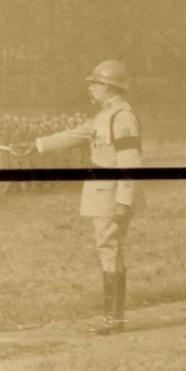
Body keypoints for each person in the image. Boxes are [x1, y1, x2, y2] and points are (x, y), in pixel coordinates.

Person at [15, 59, 144, 335]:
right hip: (104, 193)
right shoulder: (104, 116)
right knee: (108, 251)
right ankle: (114, 320)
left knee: (110, 251)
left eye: (95, 84)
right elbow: (74, 135)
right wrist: (35, 146)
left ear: (108, 86)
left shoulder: (122, 117)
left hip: (112, 194)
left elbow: (130, 162)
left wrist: (123, 200)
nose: (91, 89)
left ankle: (114, 321)